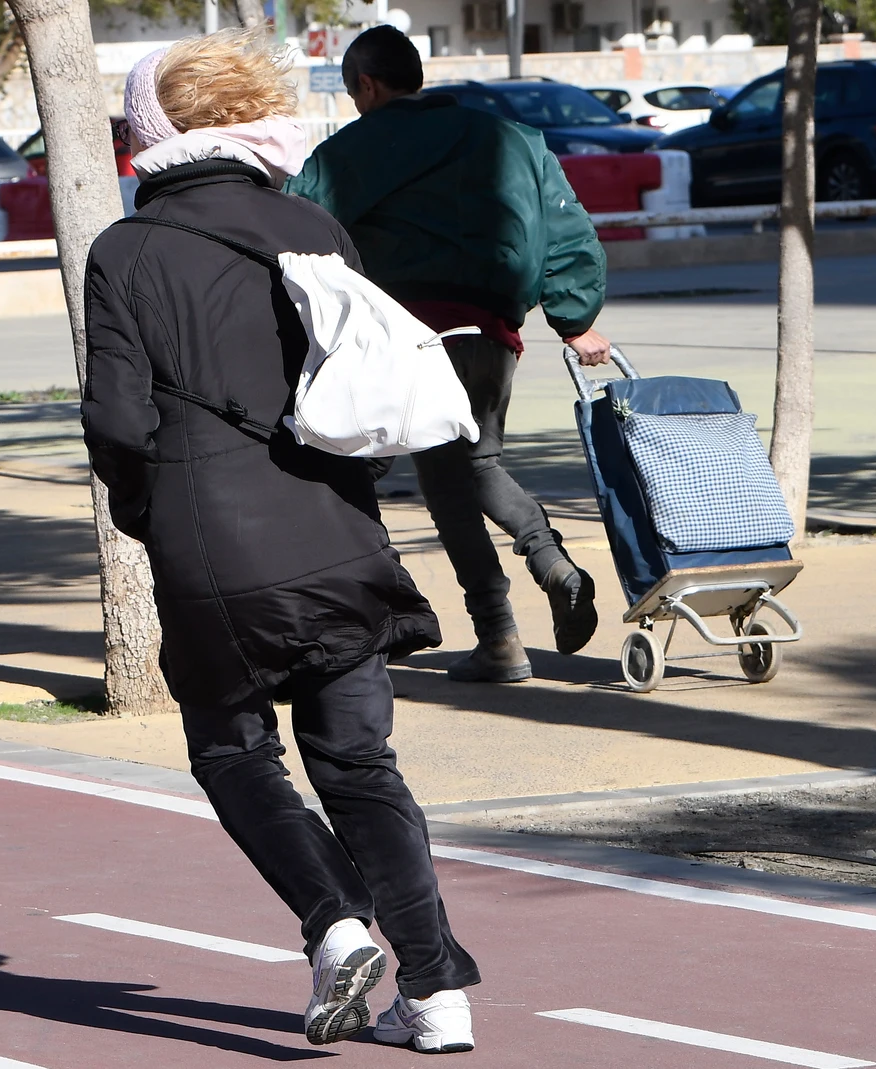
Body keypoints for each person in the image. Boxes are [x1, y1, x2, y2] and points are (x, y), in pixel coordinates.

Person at [80, 30, 480, 1055]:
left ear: (152, 129)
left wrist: (144, 509)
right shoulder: (312, 226)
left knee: (231, 750)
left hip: (210, 541)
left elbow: (119, 422)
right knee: (359, 762)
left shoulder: (126, 251)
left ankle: (332, 919)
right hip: (336, 527)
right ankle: (436, 997)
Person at [287, 26, 613, 685]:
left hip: (413, 336)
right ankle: (552, 566)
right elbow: (567, 229)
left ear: (368, 87)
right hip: (492, 330)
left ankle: (499, 635)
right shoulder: (515, 140)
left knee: (445, 483)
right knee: (479, 461)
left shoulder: (350, 150)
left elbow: (297, 226)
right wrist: (574, 317)